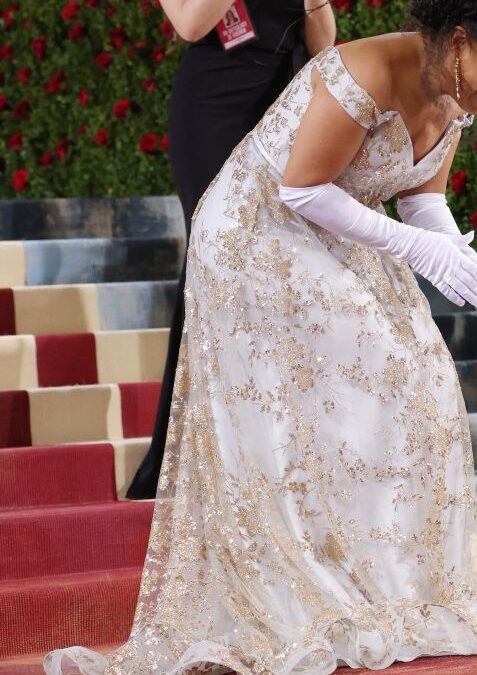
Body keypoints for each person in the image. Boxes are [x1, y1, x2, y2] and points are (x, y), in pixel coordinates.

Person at [44, 2, 477, 673]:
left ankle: (386, 589)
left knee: (423, 373)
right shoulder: (366, 69)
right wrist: (421, 251)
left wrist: (473, 271)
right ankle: (303, 594)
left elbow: (422, 200)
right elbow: (300, 190)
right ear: (456, 40)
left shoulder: (459, 90)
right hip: (257, 230)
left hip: (337, 233)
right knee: (358, 375)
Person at [126, 0, 336, 500]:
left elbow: (323, 45)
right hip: (213, 108)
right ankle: (191, 457)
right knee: (216, 262)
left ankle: (276, 452)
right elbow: (191, 24)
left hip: (282, 112)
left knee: (279, 269)